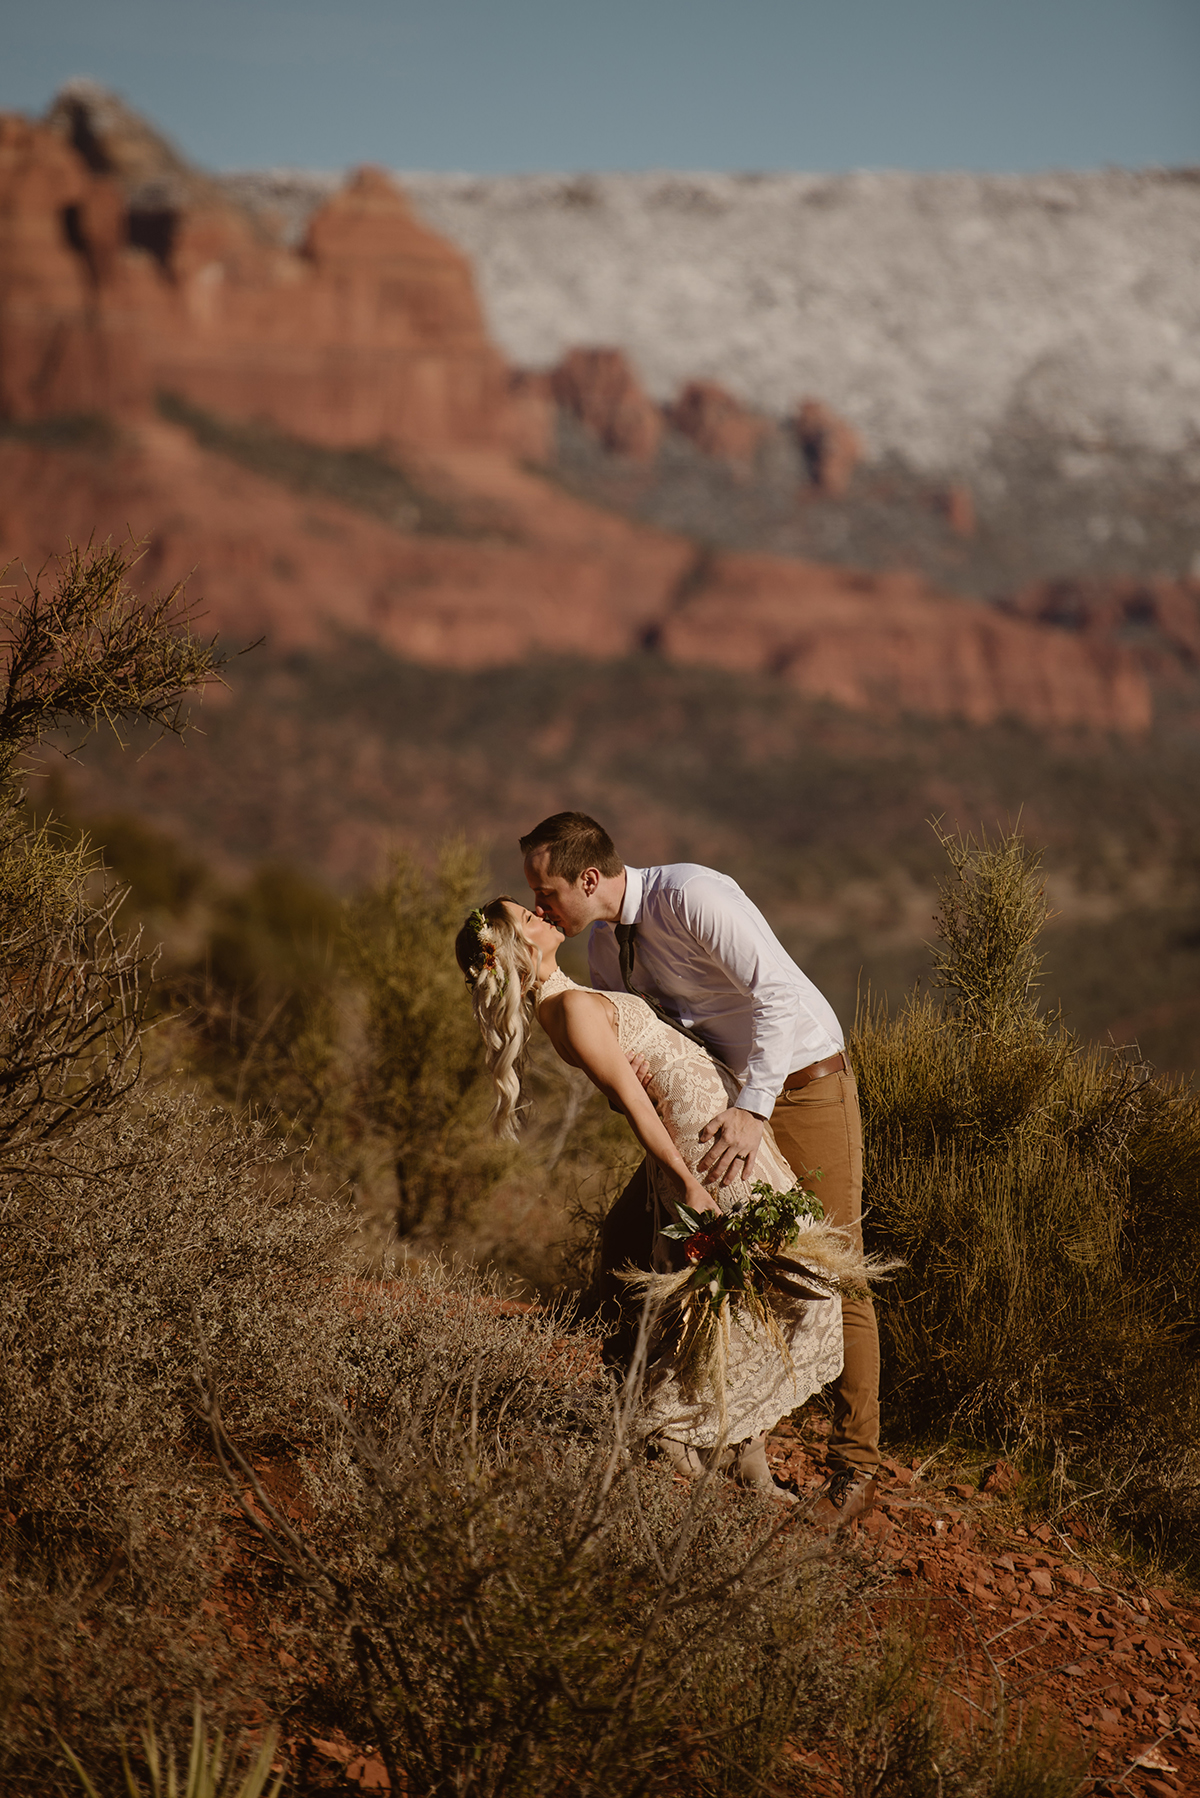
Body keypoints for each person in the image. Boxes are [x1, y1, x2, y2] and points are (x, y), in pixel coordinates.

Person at [519, 811, 881, 1530]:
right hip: (724, 1108)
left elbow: (777, 995)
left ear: (589, 878)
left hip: (801, 1086)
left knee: (831, 1267)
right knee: (636, 1240)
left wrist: (753, 1110)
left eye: (547, 890)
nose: (540, 906)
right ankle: (666, 1425)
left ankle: (856, 1467)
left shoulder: (693, 895)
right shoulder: (601, 953)